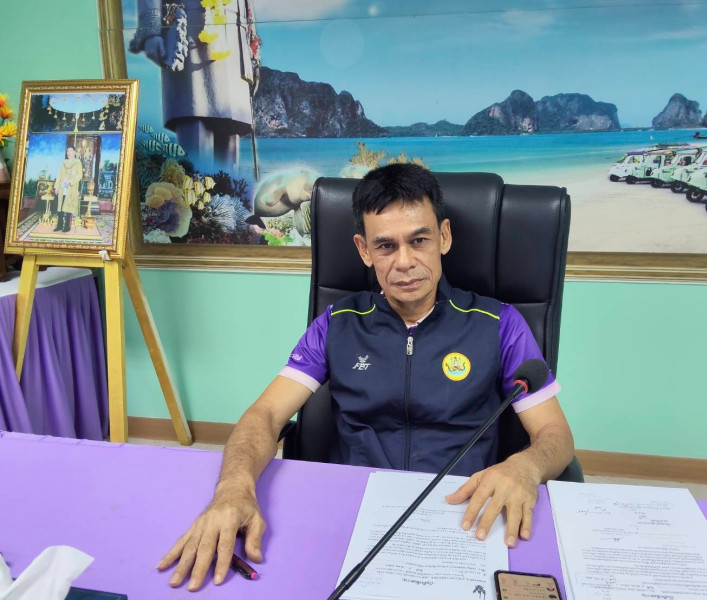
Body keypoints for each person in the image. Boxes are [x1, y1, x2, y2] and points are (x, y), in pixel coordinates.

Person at [157, 164, 574, 591]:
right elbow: (264, 415)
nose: (405, 262)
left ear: (444, 237)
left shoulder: (500, 324)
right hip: (349, 513)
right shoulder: (336, 324)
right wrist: (233, 487)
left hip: (464, 513)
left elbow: (555, 435)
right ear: (364, 250)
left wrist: (526, 465)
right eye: (386, 246)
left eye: (419, 240)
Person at [129, 0, 259, 173]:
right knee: (195, 129)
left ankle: (226, 188)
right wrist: (150, 30)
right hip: (191, 29)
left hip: (235, 37)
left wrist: (253, 55)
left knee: (229, 146)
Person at [53, 145, 83, 233]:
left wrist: (70, 181)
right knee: (60, 206)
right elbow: (59, 174)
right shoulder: (64, 162)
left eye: (70, 151)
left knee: (68, 207)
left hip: (71, 188)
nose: (68, 153)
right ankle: (59, 226)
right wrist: (57, 186)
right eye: (67, 151)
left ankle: (67, 227)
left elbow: (79, 175)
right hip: (62, 187)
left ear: (74, 152)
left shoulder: (77, 162)